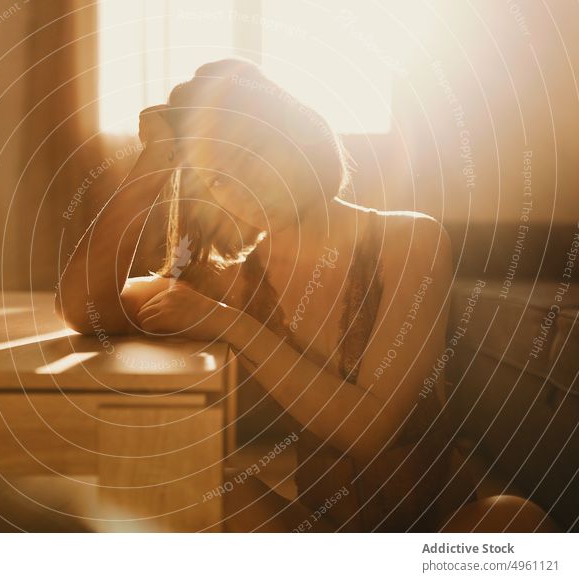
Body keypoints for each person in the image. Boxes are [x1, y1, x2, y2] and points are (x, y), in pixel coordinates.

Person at [55, 58, 559, 533]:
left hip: (435, 539)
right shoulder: (232, 279)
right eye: (218, 178)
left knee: (518, 521)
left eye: (253, 151)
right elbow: (85, 310)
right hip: (319, 543)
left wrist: (233, 325)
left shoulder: (412, 241)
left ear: (297, 138)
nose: (245, 185)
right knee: (185, 476)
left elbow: (370, 431)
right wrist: (156, 161)